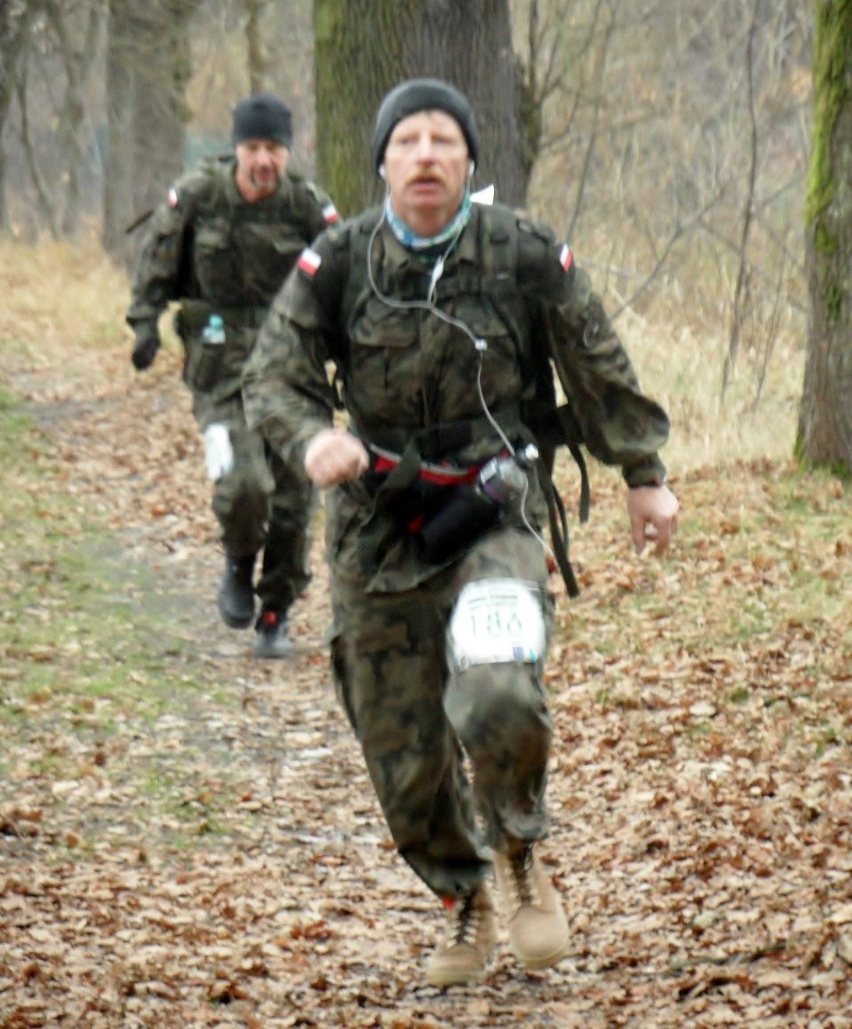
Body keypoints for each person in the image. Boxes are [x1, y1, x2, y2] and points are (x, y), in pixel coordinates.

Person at [242, 78, 679, 984]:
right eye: (408, 141)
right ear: (383, 163)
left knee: (496, 694)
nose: (427, 155)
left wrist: (644, 473)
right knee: (400, 755)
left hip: (495, 510)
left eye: (445, 139)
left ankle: (518, 850)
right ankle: (463, 898)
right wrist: (315, 434)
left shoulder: (521, 252)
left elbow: (594, 360)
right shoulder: (341, 260)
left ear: (470, 158)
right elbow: (272, 375)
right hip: (377, 527)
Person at [127, 93, 339, 657]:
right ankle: (239, 560)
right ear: (237, 148)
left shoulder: (308, 208)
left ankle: (276, 612)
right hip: (219, 371)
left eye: (274, 149)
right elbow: (157, 259)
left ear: (287, 152)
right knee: (243, 484)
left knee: (294, 500)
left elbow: (344, 283)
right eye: (254, 148)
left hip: (293, 368)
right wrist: (145, 323)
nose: (264, 161)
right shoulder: (199, 195)